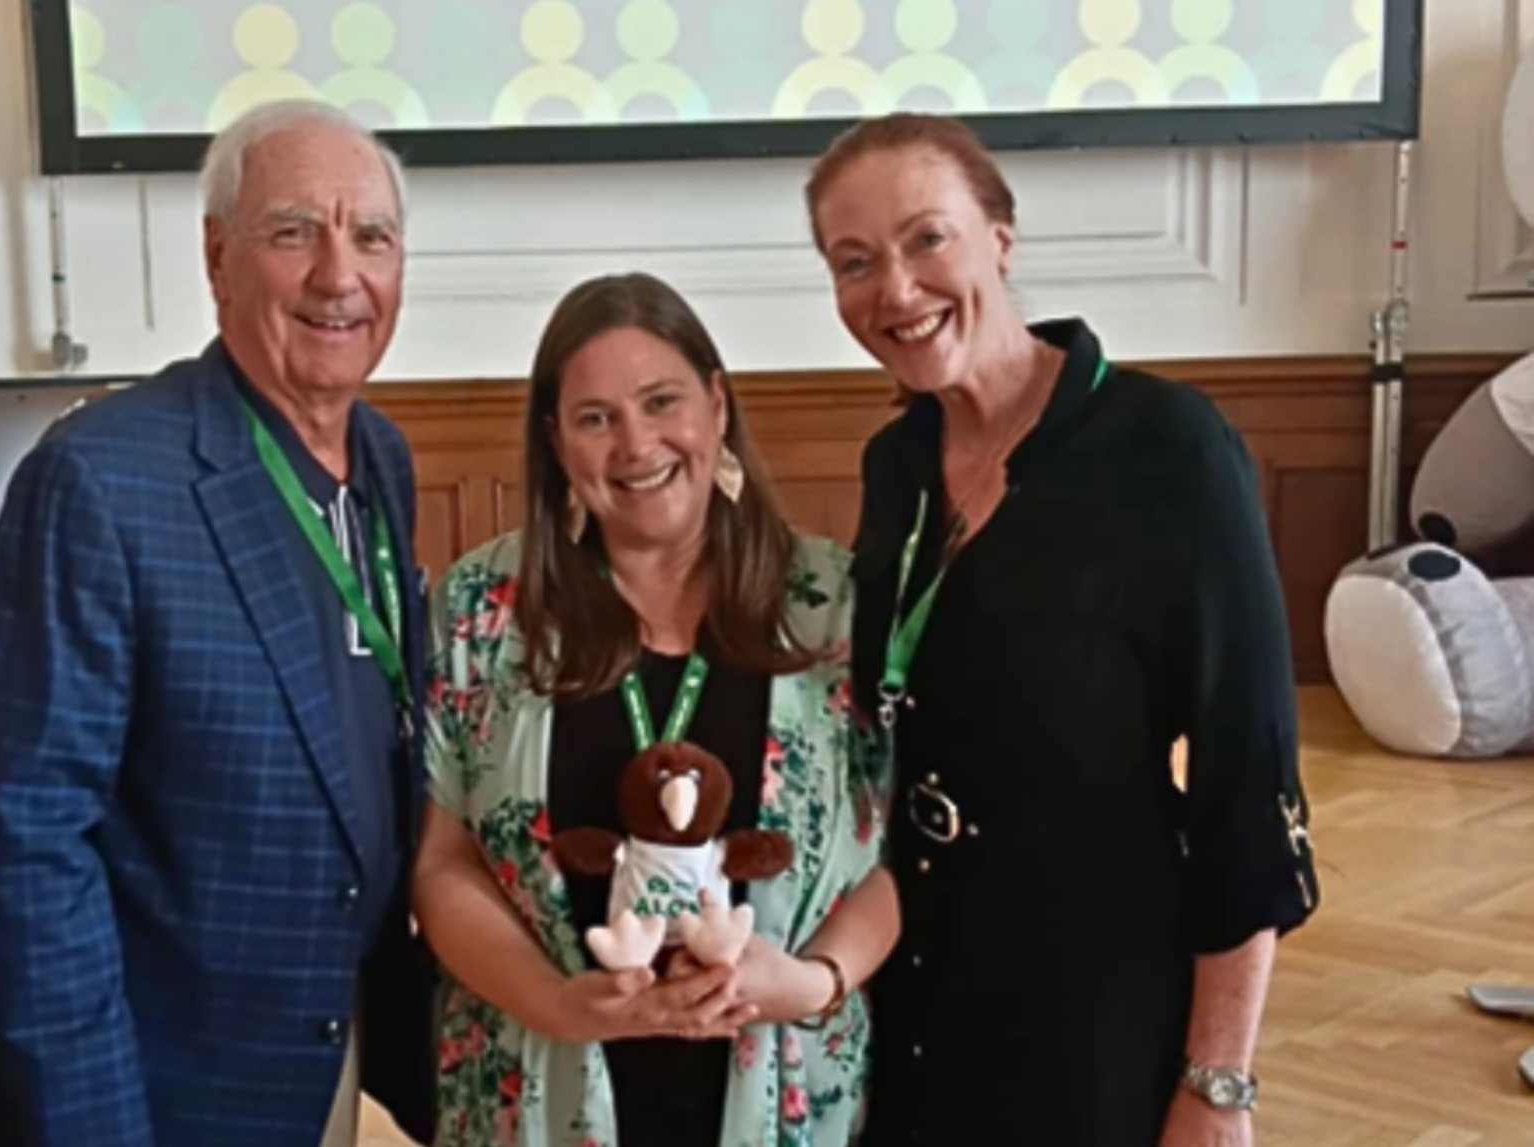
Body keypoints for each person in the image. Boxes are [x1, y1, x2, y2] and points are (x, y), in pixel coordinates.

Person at [805, 113, 1321, 1147]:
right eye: (853, 262)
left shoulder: (1166, 448)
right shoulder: (895, 465)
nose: (894, 290)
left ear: (1000, 236)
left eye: (926, 238)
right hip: (913, 993)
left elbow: (1248, 782)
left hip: (1094, 1002)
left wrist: (1218, 1084)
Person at [0, 100, 436, 1147]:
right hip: (158, 1079)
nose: (339, 275)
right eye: (294, 231)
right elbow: (33, 842)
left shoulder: (383, 460)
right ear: (218, 256)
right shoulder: (101, 480)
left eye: (372, 237)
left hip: (318, 1039)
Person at [410, 272, 899, 1147]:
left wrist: (815, 980)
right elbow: (441, 861)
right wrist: (560, 1004)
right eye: (595, 418)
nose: (636, 444)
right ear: (556, 441)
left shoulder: (836, 608)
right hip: (539, 1088)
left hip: (786, 1085)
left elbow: (901, 858)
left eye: (662, 401)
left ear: (717, 404)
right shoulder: (484, 609)